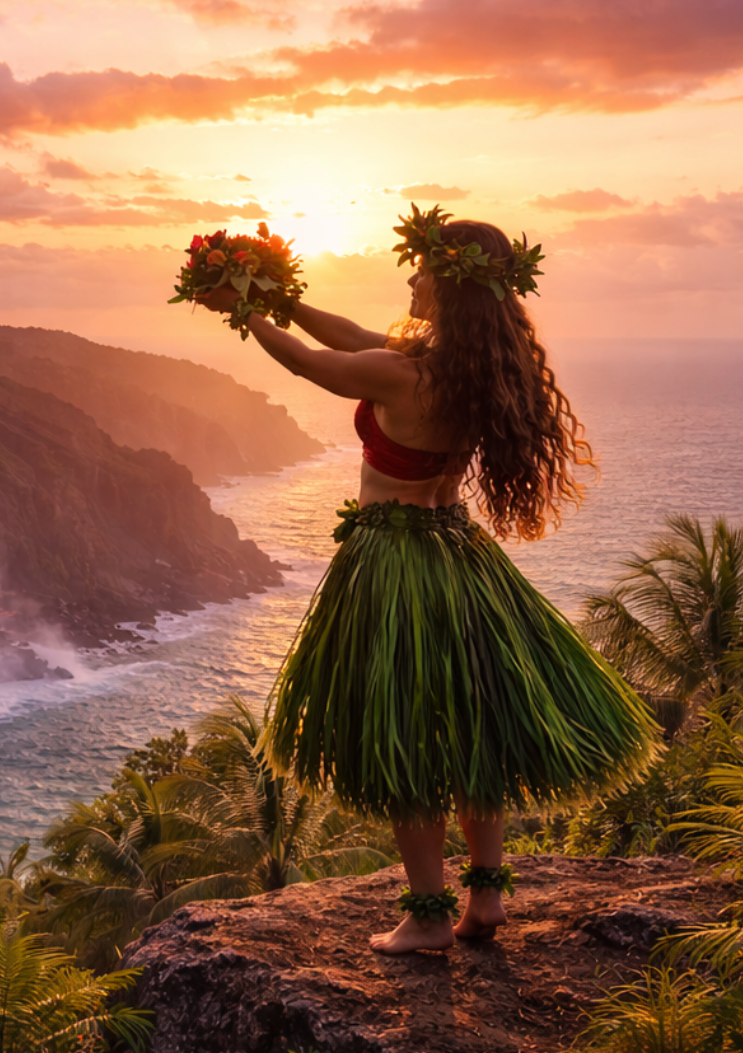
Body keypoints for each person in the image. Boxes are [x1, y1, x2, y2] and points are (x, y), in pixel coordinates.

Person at [199, 205, 659, 954]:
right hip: (462, 558)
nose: (410, 277)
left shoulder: (402, 373)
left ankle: (427, 916)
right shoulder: (471, 368)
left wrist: (245, 308)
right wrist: (279, 298)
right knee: (476, 728)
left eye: (421, 270)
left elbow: (309, 363)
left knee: (408, 735)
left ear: (447, 287)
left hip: (395, 562)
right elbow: (348, 335)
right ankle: (486, 900)